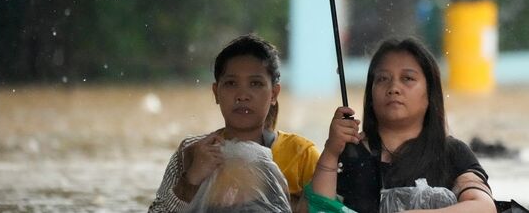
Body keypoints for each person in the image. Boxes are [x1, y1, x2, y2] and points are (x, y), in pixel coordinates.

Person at [308, 38, 496, 213]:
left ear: (430, 94)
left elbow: (484, 207)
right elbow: (317, 208)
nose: (394, 88)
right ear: (371, 94)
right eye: (382, 79)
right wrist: (331, 152)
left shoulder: (451, 153)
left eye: (407, 78)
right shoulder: (347, 154)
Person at [148, 34, 320, 213]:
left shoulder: (301, 155)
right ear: (216, 92)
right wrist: (191, 179)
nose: (242, 95)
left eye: (255, 83)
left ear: (274, 94)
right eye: (231, 83)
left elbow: (332, 207)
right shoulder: (192, 152)